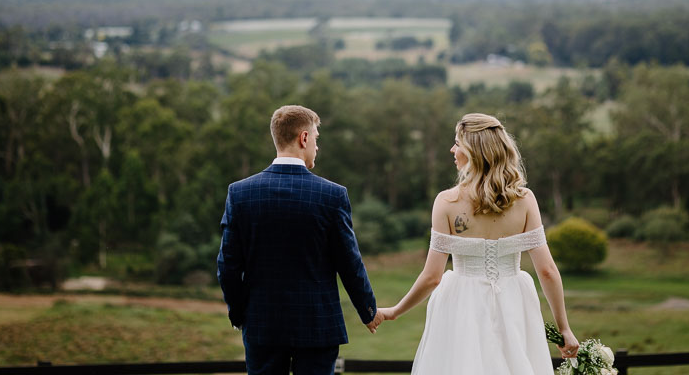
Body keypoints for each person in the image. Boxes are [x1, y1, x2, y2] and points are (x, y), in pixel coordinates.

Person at [378, 113, 579, 374]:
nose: (452, 149)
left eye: (457, 143)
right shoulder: (525, 199)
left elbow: (432, 277)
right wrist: (564, 328)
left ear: (474, 151)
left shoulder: (446, 203)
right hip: (514, 302)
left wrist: (395, 311)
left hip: (462, 305)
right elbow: (547, 271)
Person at [217, 104, 383, 375]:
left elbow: (228, 266)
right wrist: (368, 310)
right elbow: (349, 262)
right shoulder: (332, 195)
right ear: (303, 138)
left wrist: (239, 314)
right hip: (317, 326)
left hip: (262, 326)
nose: (317, 147)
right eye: (316, 139)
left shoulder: (240, 193)